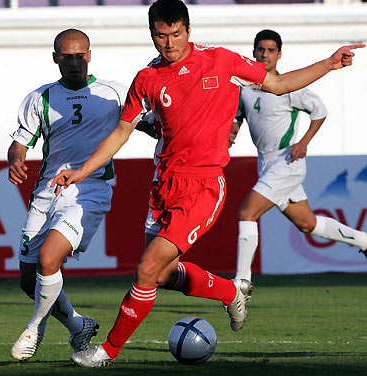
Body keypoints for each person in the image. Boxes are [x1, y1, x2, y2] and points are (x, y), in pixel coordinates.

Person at [51, 0, 364, 367]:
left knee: (147, 269)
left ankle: (107, 352)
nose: (168, 44)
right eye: (160, 36)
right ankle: (230, 291)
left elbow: (278, 83)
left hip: (203, 187)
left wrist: (329, 63)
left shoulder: (222, 62)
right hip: (163, 185)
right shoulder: (147, 80)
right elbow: (122, 132)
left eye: (175, 34)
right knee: (164, 274)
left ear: (188, 30)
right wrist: (82, 170)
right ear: (152, 34)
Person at [8, 28, 129, 361]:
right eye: (67, 57)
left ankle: (35, 329)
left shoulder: (114, 94)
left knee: (49, 259)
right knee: (28, 279)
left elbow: (152, 125)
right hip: (47, 193)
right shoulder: (41, 98)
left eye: (81, 55)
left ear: (89, 55)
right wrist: (16, 160)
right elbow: (20, 142)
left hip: (88, 190)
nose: (75, 63)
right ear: (56, 59)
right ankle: (79, 326)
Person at [230, 29, 367, 308]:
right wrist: (230, 133)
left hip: (286, 162)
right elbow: (239, 117)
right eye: (260, 49)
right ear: (254, 52)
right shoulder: (245, 88)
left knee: (246, 213)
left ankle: (240, 285)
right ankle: (363, 240)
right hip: (266, 164)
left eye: (270, 50)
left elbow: (320, 110)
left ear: (279, 54)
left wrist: (304, 142)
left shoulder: (288, 86)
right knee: (307, 223)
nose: (264, 54)